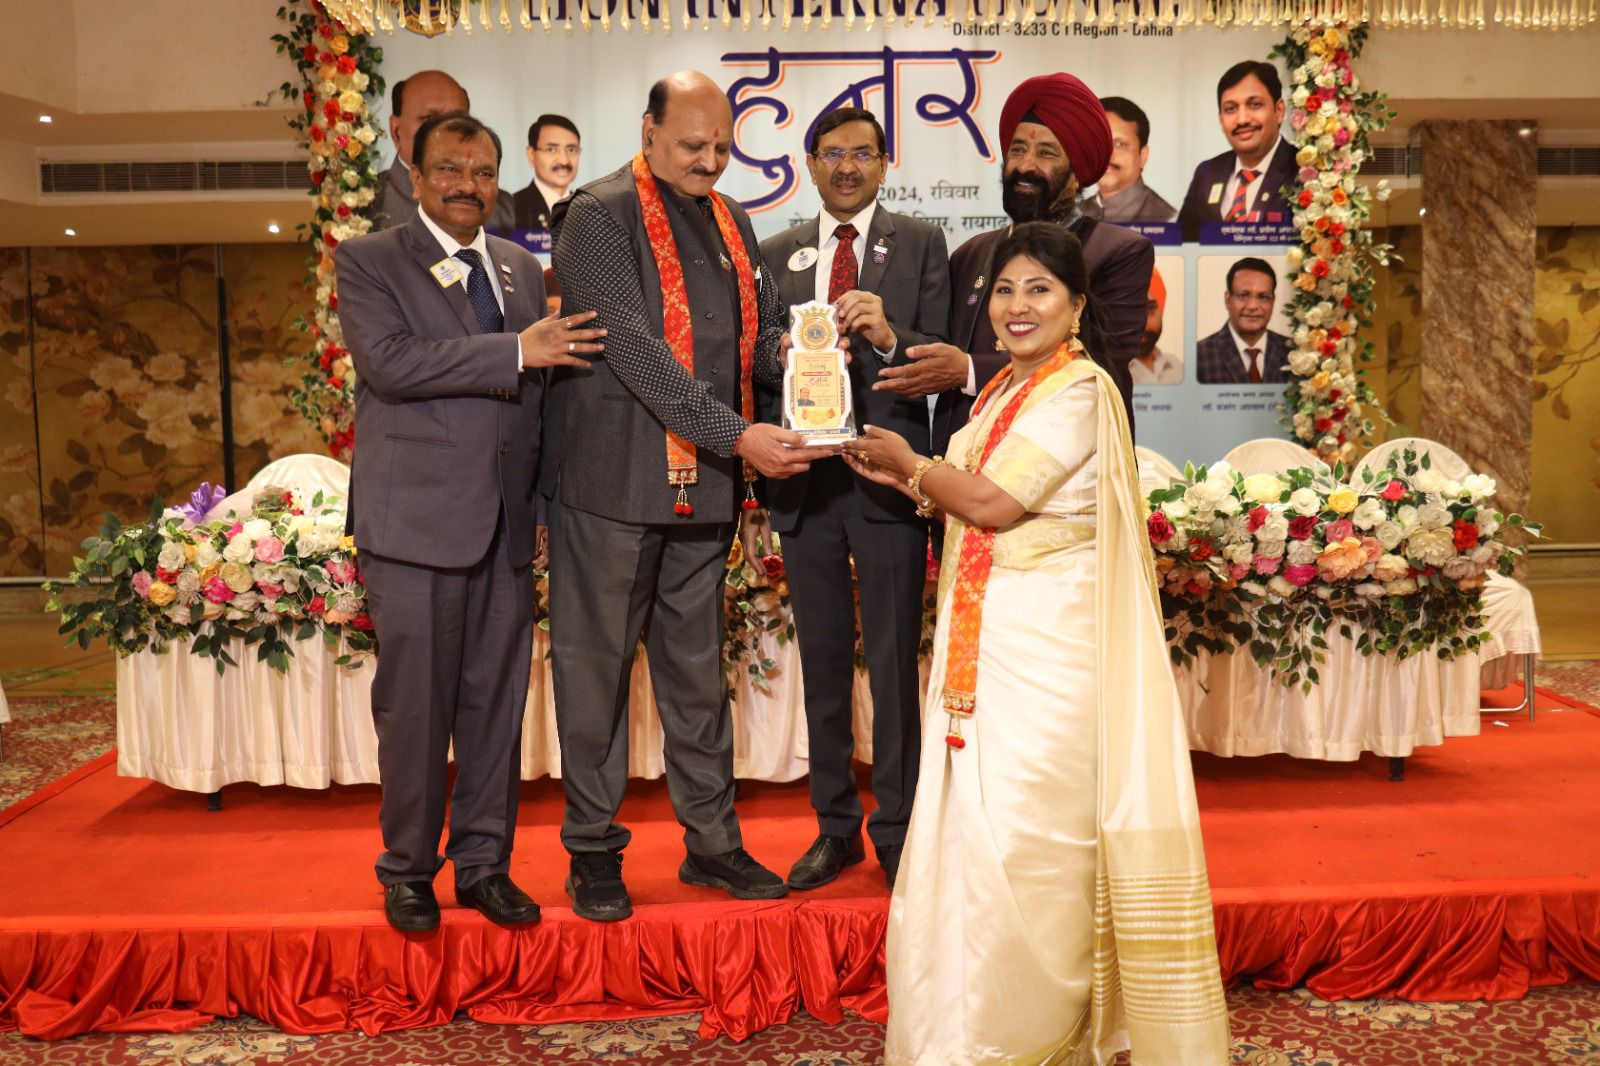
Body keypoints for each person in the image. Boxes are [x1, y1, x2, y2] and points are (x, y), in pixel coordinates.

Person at [841, 222, 1229, 1064]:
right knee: (974, 835)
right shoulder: (1002, 390)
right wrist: (908, 479)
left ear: (1078, 305)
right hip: (986, 643)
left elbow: (993, 504)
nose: (1017, 306)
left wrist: (913, 465)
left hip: (1049, 654)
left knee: (1031, 839)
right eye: (1005, 290)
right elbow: (972, 494)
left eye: (1040, 290)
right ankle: (967, 1026)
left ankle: (1038, 1034)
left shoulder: (1080, 391)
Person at [544, 70, 809, 922]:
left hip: (705, 491)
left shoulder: (732, 218)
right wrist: (738, 435)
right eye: (693, 145)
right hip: (611, 487)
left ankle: (713, 844)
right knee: (594, 677)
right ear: (648, 131)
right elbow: (637, 352)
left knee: (698, 679)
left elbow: (758, 336)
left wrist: (807, 353)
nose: (710, 160)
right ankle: (592, 849)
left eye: (722, 146)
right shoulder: (596, 215)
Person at [336, 112, 605, 933]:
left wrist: (548, 507)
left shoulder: (520, 267)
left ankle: (484, 866)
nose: (468, 185)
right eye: (450, 169)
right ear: (415, 176)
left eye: (483, 172)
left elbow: (540, 402)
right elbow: (392, 364)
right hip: (414, 528)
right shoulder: (371, 259)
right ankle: (408, 872)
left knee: (496, 709)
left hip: (507, 529)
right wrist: (517, 350)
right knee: (415, 710)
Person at [756, 106, 951, 892]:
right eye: (831, 154)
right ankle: (834, 827)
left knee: (896, 667)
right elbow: (754, 366)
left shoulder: (922, 243)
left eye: (862, 154)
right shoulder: (776, 253)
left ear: (884, 162)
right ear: (809, 164)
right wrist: (778, 355)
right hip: (806, 483)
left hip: (887, 482)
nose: (846, 167)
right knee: (825, 662)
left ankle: (899, 830)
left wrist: (888, 333)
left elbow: (942, 357)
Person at [873, 72, 1153, 450]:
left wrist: (968, 371)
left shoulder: (1118, 251)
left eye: (1046, 153)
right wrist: (888, 337)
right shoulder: (970, 253)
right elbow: (939, 347)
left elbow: (1098, 363)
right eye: (1017, 150)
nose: (1025, 165)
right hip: (961, 463)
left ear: (1078, 174)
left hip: (1065, 459)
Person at [373, 70, 515, 233]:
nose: (447, 132)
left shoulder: (505, 208)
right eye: (429, 119)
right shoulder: (367, 204)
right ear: (396, 130)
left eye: (458, 120)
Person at [1178, 60, 1297, 242]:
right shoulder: (1206, 174)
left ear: (1279, 111)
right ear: (1221, 119)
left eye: (1255, 105)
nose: (1242, 119)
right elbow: (1182, 245)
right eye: (1230, 109)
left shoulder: (1303, 171)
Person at [1082, 96, 1178, 224]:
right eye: (1099, 142)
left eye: (1120, 144)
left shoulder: (1167, 221)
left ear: (1143, 156)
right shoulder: (1071, 217)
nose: (1107, 154)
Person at [1196, 256, 1292, 383]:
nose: (1253, 306)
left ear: (1273, 302)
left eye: (1263, 297)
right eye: (1243, 295)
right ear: (1227, 299)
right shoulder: (1199, 356)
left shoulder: (1293, 352)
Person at [514, 114, 581, 230]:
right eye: (551, 149)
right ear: (531, 155)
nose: (564, 161)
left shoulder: (587, 208)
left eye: (571, 150)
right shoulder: (512, 209)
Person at [1130, 265, 1183, 385]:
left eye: (1150, 309)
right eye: (1132, 310)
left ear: (1161, 312)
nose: (1142, 323)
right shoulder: (1106, 372)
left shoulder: (1178, 368)